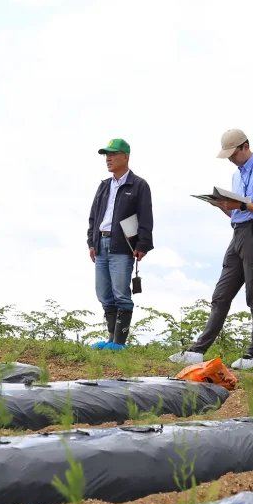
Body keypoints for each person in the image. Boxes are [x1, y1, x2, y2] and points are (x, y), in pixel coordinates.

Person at [170, 129, 253, 370]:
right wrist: (223, 206)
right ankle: (197, 351)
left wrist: (240, 204)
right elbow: (237, 211)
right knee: (221, 295)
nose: (231, 158)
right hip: (238, 233)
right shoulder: (236, 175)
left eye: (233, 153)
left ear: (245, 146)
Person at [86, 138, 154, 348]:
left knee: (121, 292)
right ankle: (110, 340)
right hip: (101, 242)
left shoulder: (139, 185)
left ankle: (119, 342)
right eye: (106, 155)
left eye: (113, 154)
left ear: (125, 156)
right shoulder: (104, 186)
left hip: (122, 245)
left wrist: (142, 244)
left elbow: (145, 217)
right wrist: (91, 241)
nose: (108, 158)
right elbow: (94, 216)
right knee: (104, 293)